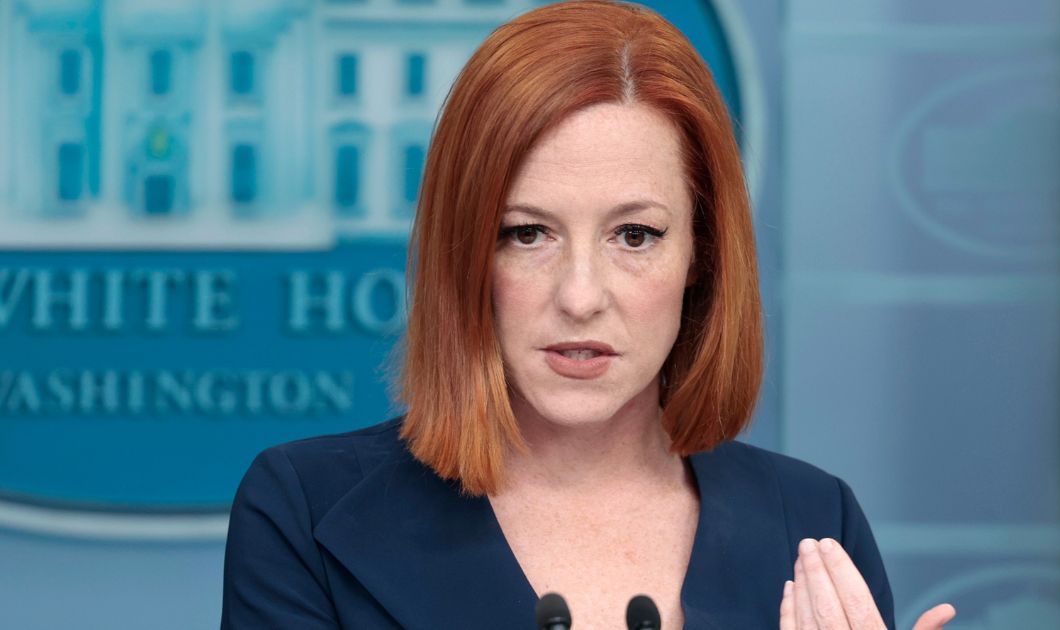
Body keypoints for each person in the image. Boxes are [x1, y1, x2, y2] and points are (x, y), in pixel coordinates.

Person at [220, 2, 956, 628]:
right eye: (526, 233)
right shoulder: (305, 513)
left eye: (634, 236)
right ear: (466, 254)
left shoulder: (813, 522)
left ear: (702, 254)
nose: (579, 296)